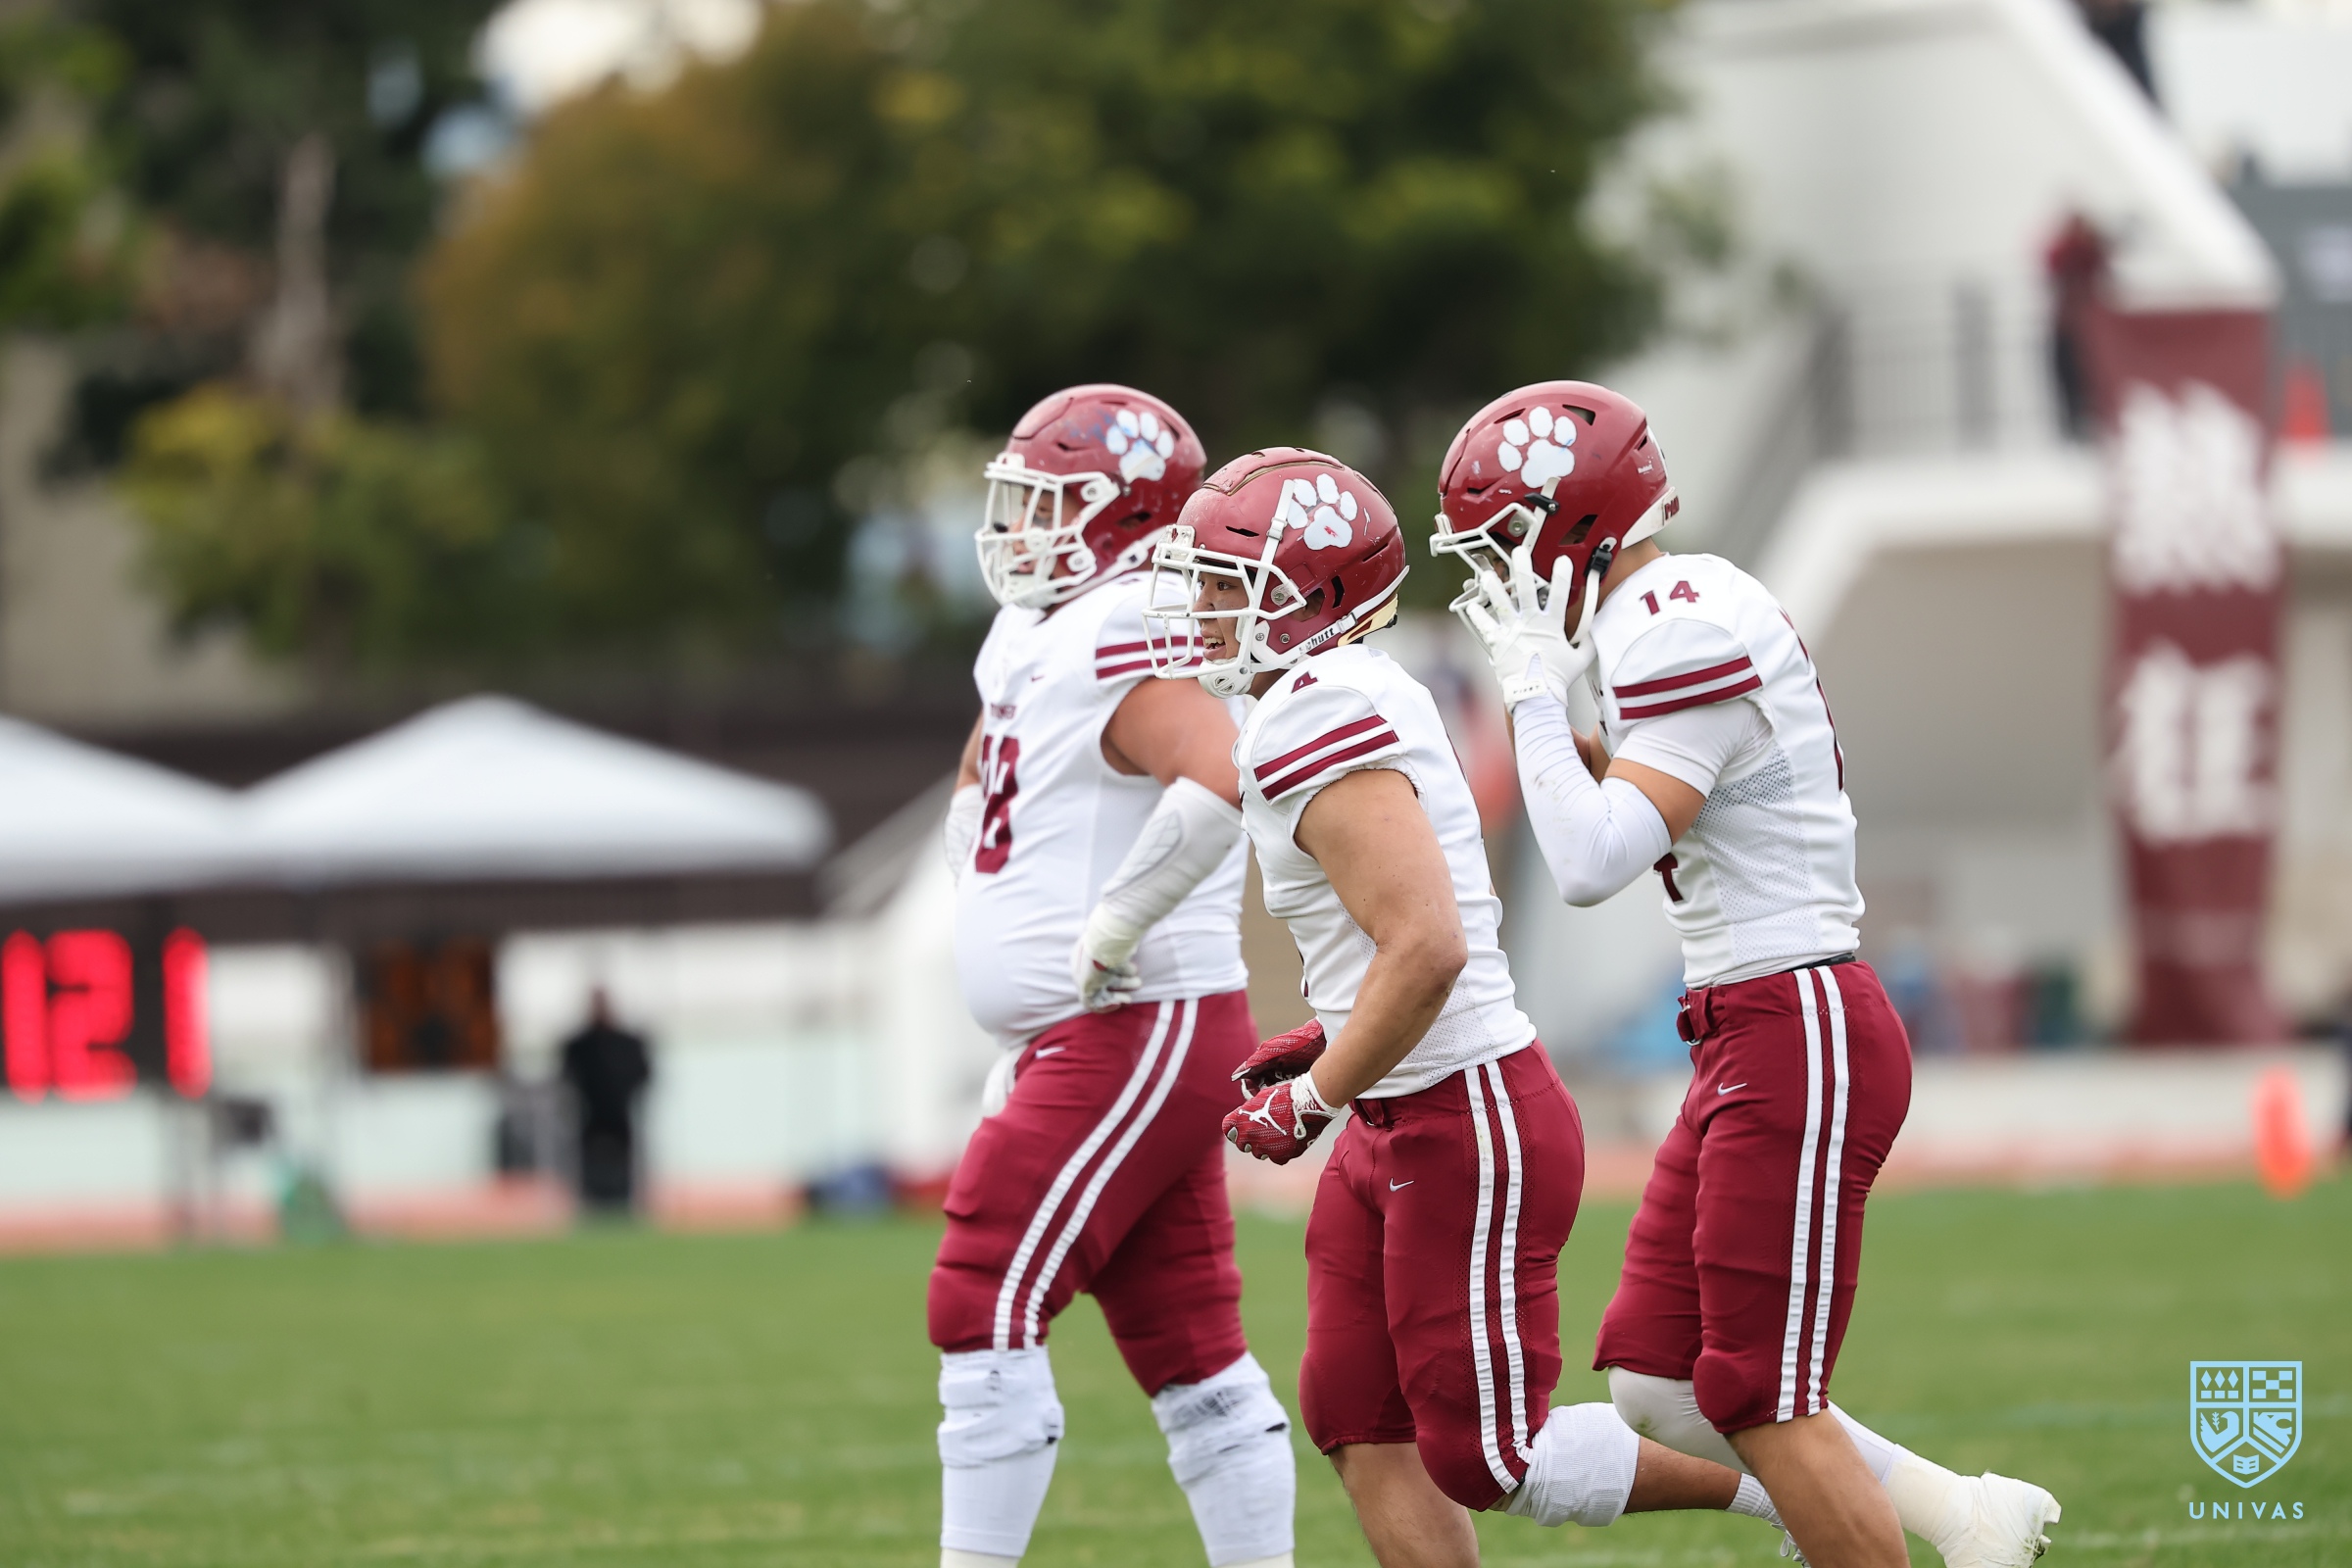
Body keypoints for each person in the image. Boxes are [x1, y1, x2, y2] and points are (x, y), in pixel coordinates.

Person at [1433, 380, 2063, 1568]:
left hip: (1797, 1018)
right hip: (1750, 1021)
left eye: (1508, 541)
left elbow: (1593, 858)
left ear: (1576, 524)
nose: (1501, 577)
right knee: (1661, 1381)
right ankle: (1965, 1515)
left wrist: (1528, 693)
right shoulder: (1659, 613)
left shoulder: (1674, 625)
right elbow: (1631, 797)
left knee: (1758, 1387)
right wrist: (1547, 724)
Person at [1145, 447, 1789, 1567]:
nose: (1200, 607)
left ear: (1310, 594)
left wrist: (1313, 1094)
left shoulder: (1312, 713)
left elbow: (1429, 943)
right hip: (1406, 1102)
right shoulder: (1330, 690)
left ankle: (1793, 1495)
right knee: (1357, 1414)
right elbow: (1418, 925)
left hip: (1461, 1111)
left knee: (1489, 1456)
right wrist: (1338, 1037)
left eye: (1223, 581)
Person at [930, 385, 1295, 1568]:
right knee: (1189, 1347)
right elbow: (986, 784)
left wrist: (1116, 922)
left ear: (1127, 514)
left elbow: (1220, 771)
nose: (1018, 527)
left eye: (1048, 503)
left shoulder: (1128, 617)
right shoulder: (1032, 633)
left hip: (1137, 1013)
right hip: (1098, 1030)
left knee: (982, 1293)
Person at [559, 988, 652, 1213]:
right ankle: (588, 1199)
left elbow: (643, 1074)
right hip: (589, 1115)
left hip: (620, 1113)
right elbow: (567, 1078)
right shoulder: (579, 1045)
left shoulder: (627, 1042)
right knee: (587, 1162)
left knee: (627, 1161)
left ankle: (628, 1200)